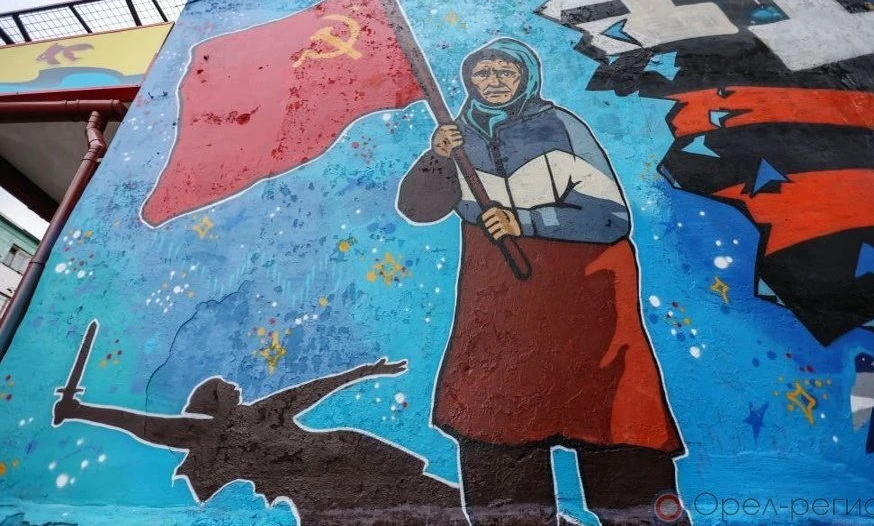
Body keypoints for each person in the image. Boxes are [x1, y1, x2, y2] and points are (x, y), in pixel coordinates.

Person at [397, 38, 686, 525]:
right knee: (497, 441)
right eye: (482, 73)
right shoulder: (457, 138)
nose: (493, 82)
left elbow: (611, 217)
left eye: (504, 72)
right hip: (502, 316)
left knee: (616, 446)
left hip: (584, 311)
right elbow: (418, 209)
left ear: (526, 78)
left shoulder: (561, 128)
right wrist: (436, 158)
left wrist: (526, 221)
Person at [53, 345, 466, 525]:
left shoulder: (261, 411)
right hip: (324, 485)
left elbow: (313, 389)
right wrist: (79, 410)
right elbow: (140, 423)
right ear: (213, 403)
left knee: (435, 499)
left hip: (351, 464)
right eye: (224, 388)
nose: (234, 386)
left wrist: (365, 371)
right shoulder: (205, 432)